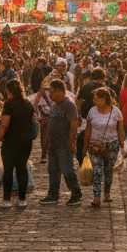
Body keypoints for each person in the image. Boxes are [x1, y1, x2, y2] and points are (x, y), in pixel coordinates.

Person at [0, 79, 36, 208]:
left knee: (8, 170)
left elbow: (4, 125)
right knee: (22, 168)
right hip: (26, 141)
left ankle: (7, 200)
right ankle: (22, 199)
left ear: (9, 91)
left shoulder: (9, 104)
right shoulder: (28, 103)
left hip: (12, 141)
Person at [40, 78, 81, 206]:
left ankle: (76, 193)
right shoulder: (55, 105)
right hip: (53, 145)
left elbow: (74, 125)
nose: (50, 95)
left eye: (52, 92)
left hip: (64, 145)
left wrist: (70, 142)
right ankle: (53, 194)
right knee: (53, 171)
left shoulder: (69, 105)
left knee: (67, 170)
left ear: (61, 92)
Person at [82, 86, 126, 206]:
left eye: (97, 99)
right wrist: (84, 147)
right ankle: (96, 197)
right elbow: (88, 129)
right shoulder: (92, 111)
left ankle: (107, 193)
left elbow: (120, 131)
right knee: (97, 171)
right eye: (94, 99)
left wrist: (123, 145)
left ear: (105, 99)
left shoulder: (116, 112)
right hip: (95, 145)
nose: (94, 101)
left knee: (108, 170)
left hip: (112, 144)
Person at [75, 66, 107, 164]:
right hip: (101, 122)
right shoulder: (105, 89)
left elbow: (78, 104)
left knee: (83, 146)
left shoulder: (84, 87)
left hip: (86, 121)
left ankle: (84, 167)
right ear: (103, 78)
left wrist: (79, 116)